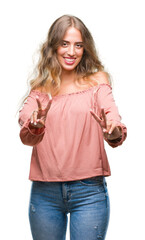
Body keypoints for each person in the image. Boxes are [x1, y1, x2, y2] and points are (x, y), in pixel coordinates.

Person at [18, 15, 127, 240]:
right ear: (53, 46)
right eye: (64, 44)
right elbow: (26, 124)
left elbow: (112, 117)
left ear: (85, 49)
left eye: (78, 45)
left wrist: (113, 130)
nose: (71, 52)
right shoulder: (41, 88)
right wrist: (35, 126)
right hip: (45, 193)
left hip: (89, 193)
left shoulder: (97, 81)